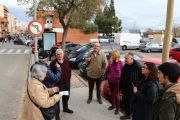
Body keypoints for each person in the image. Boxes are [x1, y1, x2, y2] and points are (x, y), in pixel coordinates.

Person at [50, 49, 73, 119]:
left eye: (61, 54)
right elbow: (51, 74)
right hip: (58, 85)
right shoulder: (53, 63)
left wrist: (68, 78)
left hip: (66, 84)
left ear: (63, 54)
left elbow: (69, 70)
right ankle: (57, 114)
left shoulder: (66, 61)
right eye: (58, 54)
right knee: (57, 100)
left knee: (66, 97)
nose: (60, 55)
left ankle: (65, 108)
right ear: (56, 55)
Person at [119, 52, 142, 120]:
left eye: (126, 58)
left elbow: (142, 78)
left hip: (133, 91)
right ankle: (128, 114)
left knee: (133, 106)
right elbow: (122, 77)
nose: (125, 59)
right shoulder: (125, 65)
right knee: (126, 103)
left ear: (131, 58)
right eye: (125, 58)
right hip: (126, 89)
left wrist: (138, 88)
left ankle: (134, 118)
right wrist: (120, 87)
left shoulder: (137, 66)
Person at [106, 51, 124, 115]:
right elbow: (107, 70)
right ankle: (113, 105)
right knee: (112, 93)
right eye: (111, 55)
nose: (111, 57)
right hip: (111, 80)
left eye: (113, 56)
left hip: (117, 82)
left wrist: (120, 79)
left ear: (116, 56)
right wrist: (110, 63)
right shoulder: (112, 62)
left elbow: (123, 73)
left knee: (116, 94)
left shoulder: (121, 63)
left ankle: (118, 107)